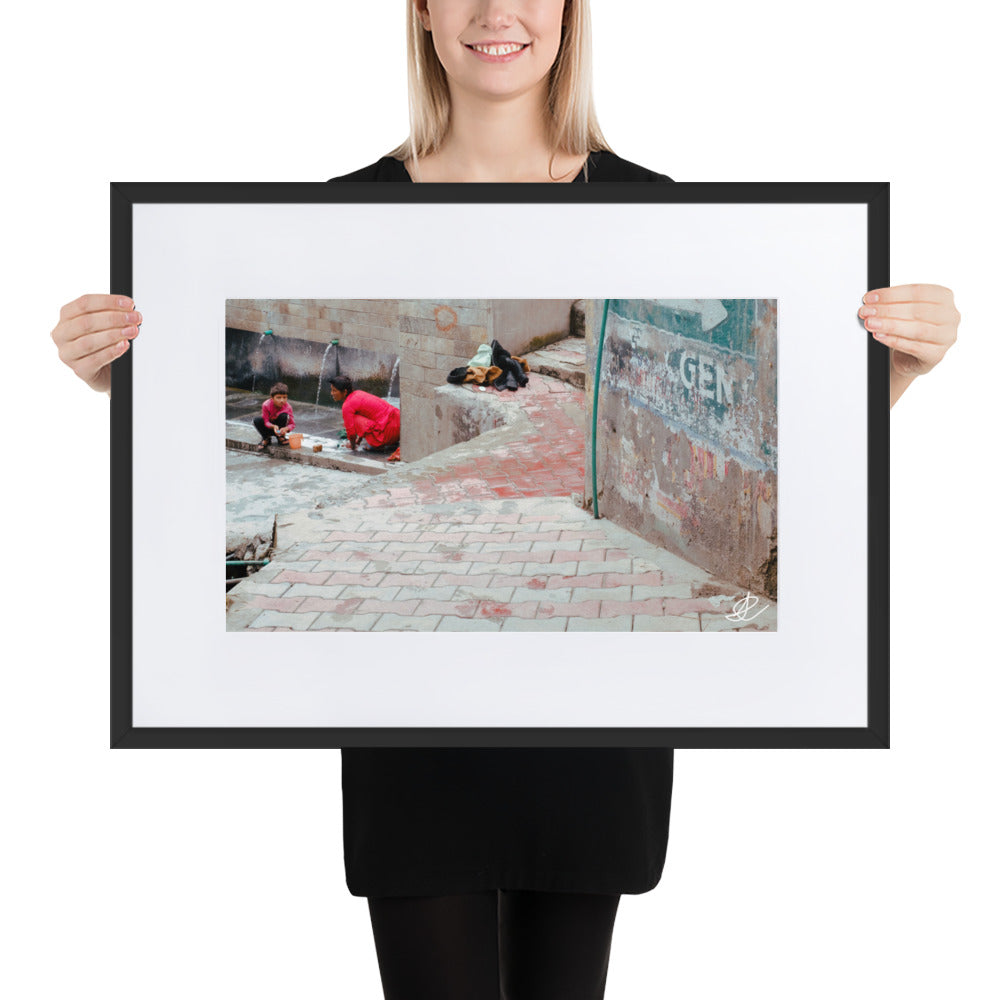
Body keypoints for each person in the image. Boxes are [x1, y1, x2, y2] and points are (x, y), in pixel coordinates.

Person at [49, 2, 960, 998]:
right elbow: (195, 447)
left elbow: (791, 441)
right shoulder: (328, 219)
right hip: (412, 736)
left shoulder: (662, 212)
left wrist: (899, 372)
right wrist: (123, 386)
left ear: (569, 13)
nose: (497, 12)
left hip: (593, 732)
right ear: (424, 13)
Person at [329, 375, 401, 453]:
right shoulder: (358, 393)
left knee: (352, 420)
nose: (331, 393)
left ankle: (378, 444)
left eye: (334, 391)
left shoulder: (347, 405)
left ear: (345, 392)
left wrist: (352, 446)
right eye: (331, 390)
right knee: (359, 418)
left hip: (388, 433)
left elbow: (351, 433)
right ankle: (387, 440)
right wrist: (358, 440)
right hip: (399, 427)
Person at [253, 382, 295, 450]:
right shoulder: (266, 405)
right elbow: (266, 421)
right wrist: (273, 426)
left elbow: (292, 424)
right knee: (257, 420)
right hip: (269, 427)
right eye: (278, 398)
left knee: (285, 416)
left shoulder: (288, 407)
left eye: (284, 397)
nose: (282, 400)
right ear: (272, 398)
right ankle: (266, 438)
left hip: (280, 429)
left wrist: (286, 429)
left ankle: (280, 437)